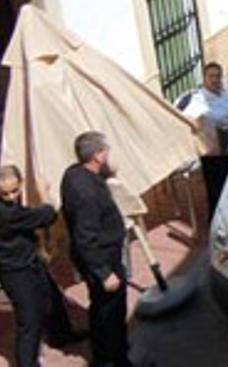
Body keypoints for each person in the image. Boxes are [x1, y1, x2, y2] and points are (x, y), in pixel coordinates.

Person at [61, 132, 133, 367]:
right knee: (110, 311)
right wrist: (104, 272)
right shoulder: (87, 193)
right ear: (98, 156)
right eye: (106, 152)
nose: (109, 155)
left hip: (97, 255)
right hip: (101, 258)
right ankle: (116, 359)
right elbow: (86, 237)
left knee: (101, 308)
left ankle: (106, 352)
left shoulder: (74, 173)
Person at [0, 166, 83, 367]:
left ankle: (62, 334)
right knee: (29, 320)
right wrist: (44, 192)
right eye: (5, 193)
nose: (11, 197)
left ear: (20, 185)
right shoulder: (6, 213)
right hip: (15, 271)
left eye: (14, 191)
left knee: (52, 299)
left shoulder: (11, 208)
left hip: (30, 261)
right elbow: (47, 216)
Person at [182, 62, 228, 218]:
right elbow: (187, 119)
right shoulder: (200, 99)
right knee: (216, 192)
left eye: (218, 76)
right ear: (205, 78)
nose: (215, 80)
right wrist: (199, 129)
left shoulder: (224, 93)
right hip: (213, 154)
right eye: (211, 76)